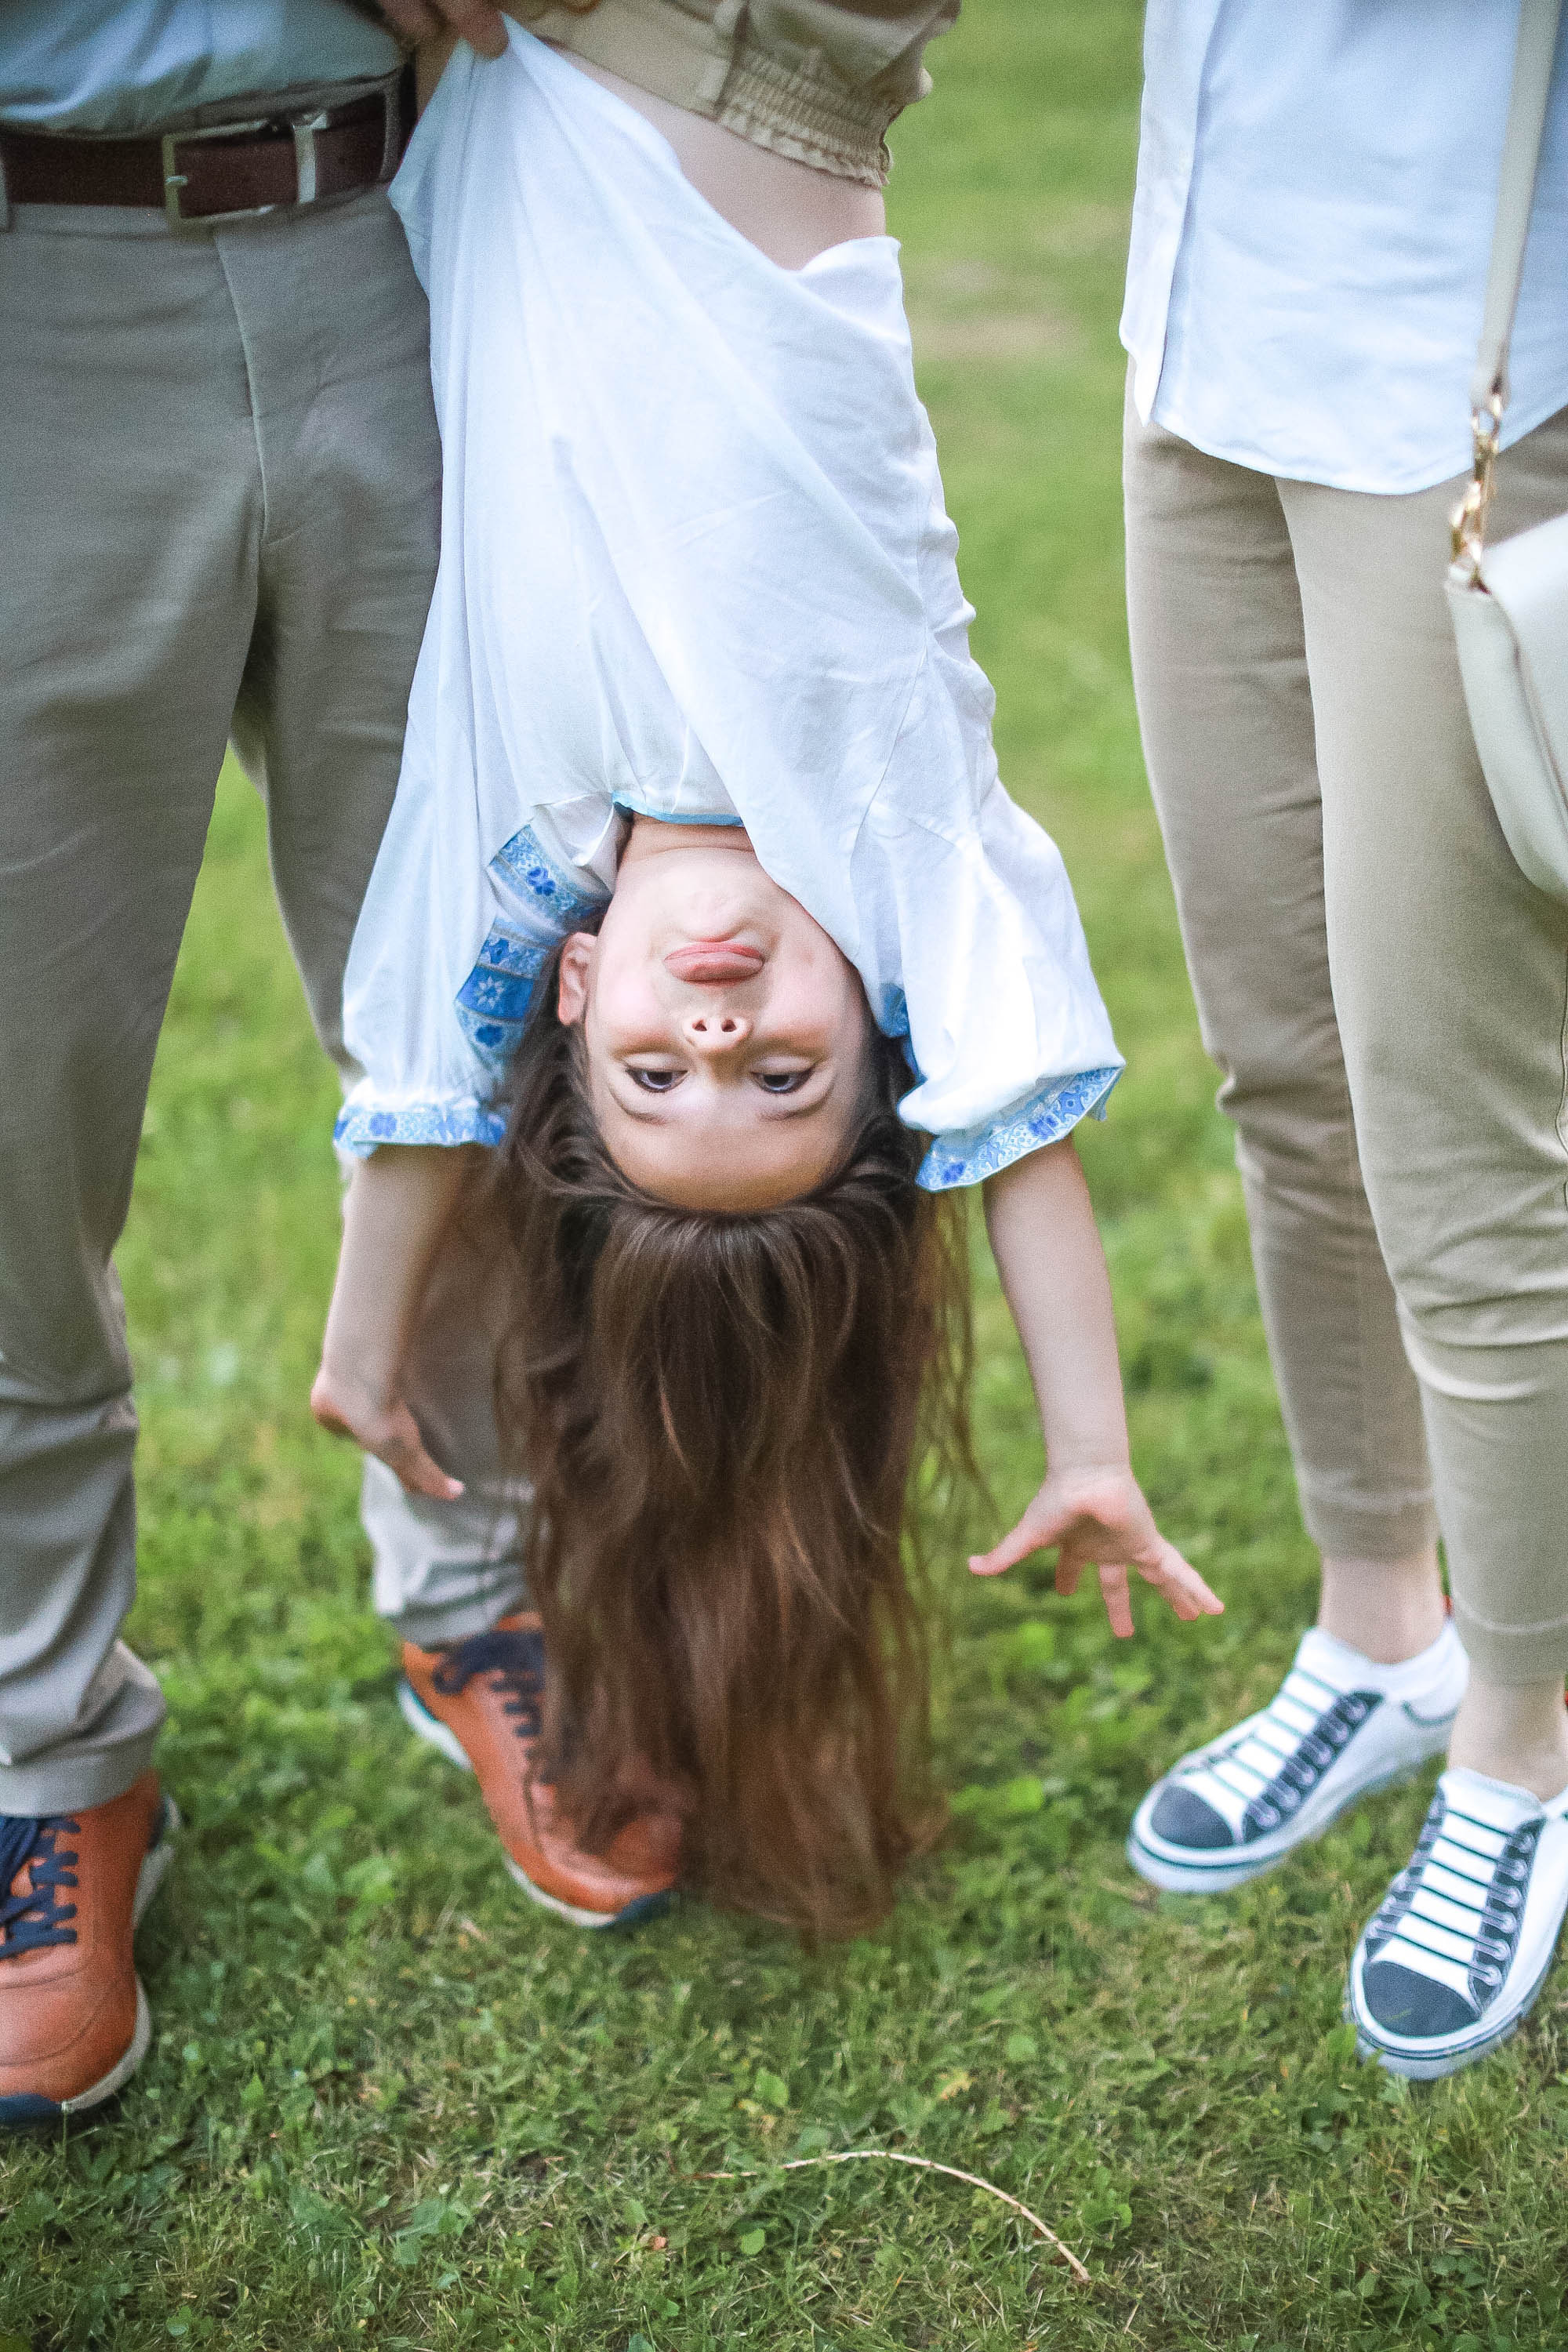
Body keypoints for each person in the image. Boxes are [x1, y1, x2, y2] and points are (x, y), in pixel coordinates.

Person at [310, 24, 1223, 1938]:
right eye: (783, 1085)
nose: (713, 1034)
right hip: (739, 60)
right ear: (880, 1043)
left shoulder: (518, 830)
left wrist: (361, 1346)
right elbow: (1018, 1140)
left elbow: (410, 1081)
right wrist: (1088, 1449)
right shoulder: (896, 847)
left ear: (569, 999)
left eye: (660, 1085)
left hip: (514, 65)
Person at [0, 0, 513, 2132]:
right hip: (40, 283)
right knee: (15, 1096)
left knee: (489, 987)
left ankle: (493, 1599)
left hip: (407, 225)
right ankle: (42, 1753)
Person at [1119, 1, 1568, 2079]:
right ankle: (1380, 1625)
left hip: (1469, 378)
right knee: (1285, 1071)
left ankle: (1523, 1748)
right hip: (1200, 337)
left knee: (1461, 1127)